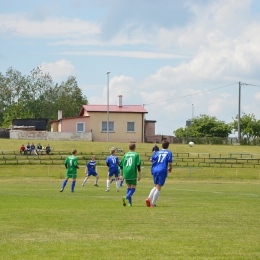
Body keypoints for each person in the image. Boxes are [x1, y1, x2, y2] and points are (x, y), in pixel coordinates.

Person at [146, 139, 172, 207]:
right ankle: (153, 204)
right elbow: (170, 162)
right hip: (162, 170)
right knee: (158, 187)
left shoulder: (157, 152)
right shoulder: (169, 153)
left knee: (155, 186)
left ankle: (148, 198)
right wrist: (170, 168)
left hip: (155, 169)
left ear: (161, 145)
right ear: (168, 146)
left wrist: (156, 163)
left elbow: (151, 159)